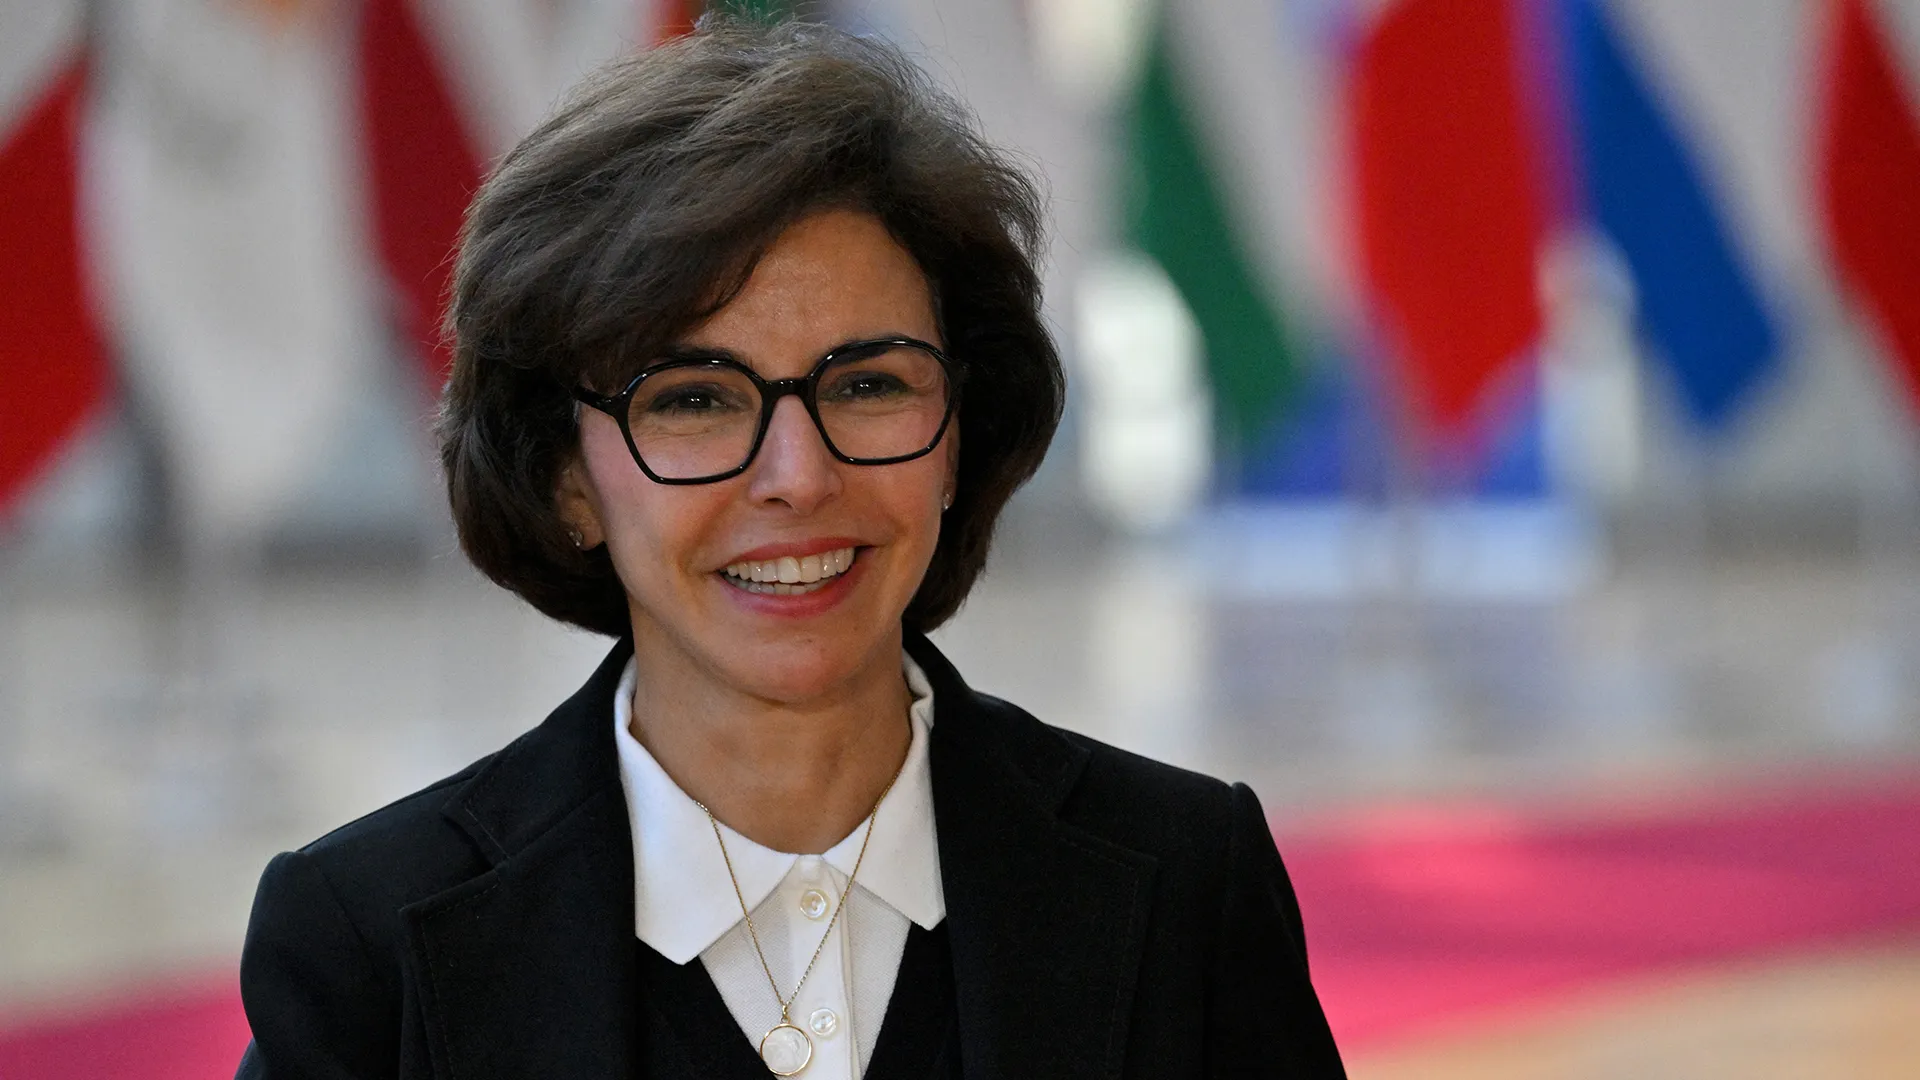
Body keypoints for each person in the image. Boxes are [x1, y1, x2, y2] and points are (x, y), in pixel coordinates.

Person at [235, 18, 1344, 1079]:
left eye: (868, 385)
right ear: (565, 475)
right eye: (694, 399)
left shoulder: (1191, 883)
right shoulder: (367, 945)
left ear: (957, 439)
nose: (799, 476)